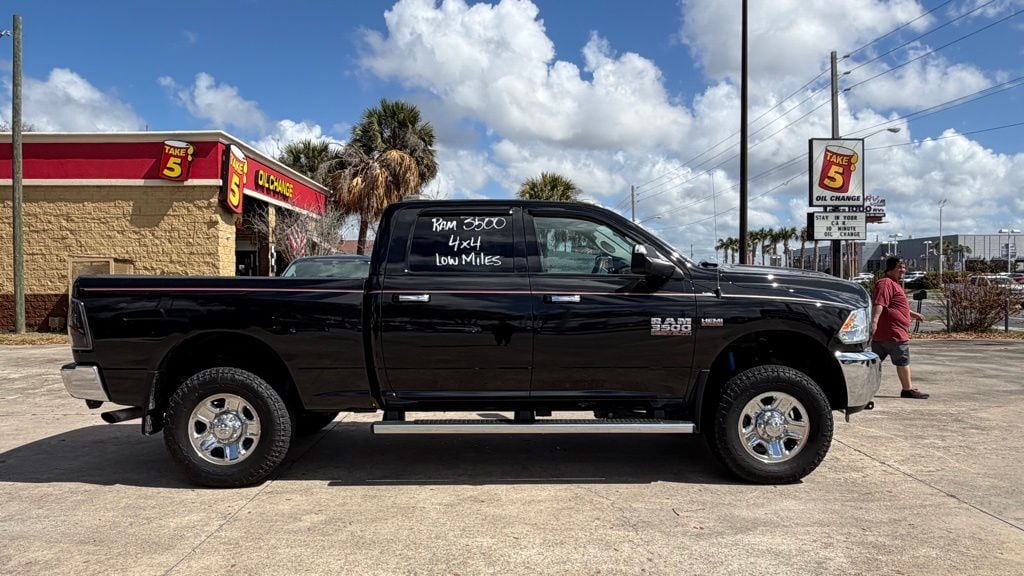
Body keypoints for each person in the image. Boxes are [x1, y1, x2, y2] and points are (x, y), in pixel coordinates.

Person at [871, 257, 929, 399]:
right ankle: (907, 389)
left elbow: (896, 306)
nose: (903, 270)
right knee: (902, 361)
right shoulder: (885, 283)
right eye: (900, 267)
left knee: (873, 364)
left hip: (890, 333)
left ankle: (862, 390)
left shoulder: (894, 284)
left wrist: (914, 315)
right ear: (890, 268)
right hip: (893, 333)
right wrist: (874, 322)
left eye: (904, 267)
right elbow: (879, 304)